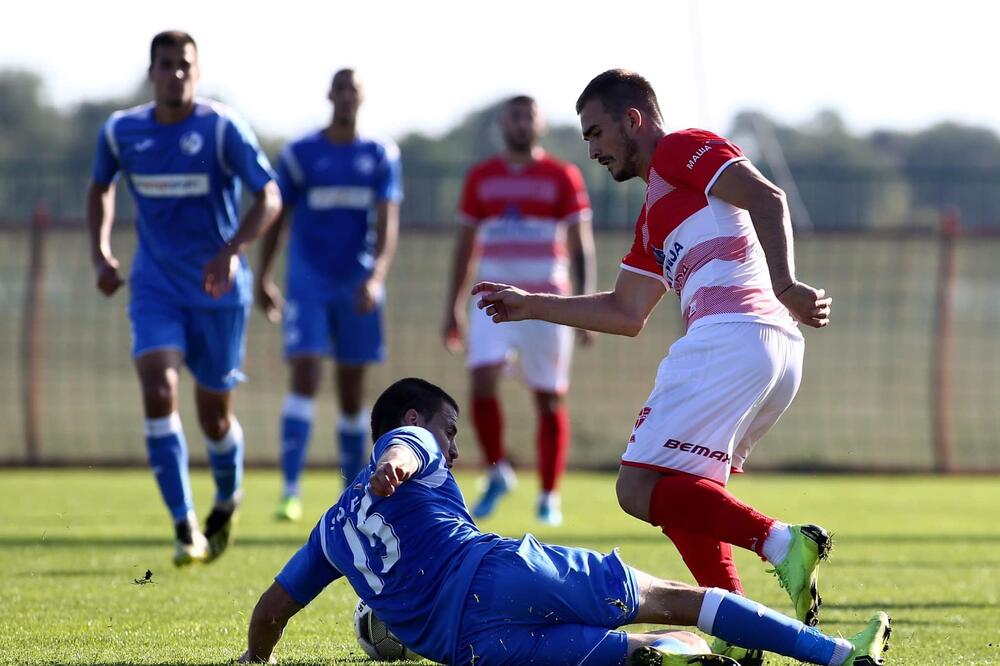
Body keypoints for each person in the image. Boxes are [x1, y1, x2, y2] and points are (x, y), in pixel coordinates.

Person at [473, 69, 836, 663]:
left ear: (632, 119)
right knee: (682, 495)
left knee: (637, 486)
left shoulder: (680, 148)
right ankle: (735, 629)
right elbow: (624, 311)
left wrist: (786, 283)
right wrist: (531, 304)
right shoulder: (651, 216)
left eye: (596, 133)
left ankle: (780, 542)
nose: (591, 150)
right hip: (767, 352)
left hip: (733, 336)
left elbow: (767, 196)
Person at [239, 378, 890, 666]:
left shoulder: (329, 529)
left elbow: (271, 610)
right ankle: (838, 656)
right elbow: (406, 449)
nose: (455, 448)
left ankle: (679, 659)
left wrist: (253, 659)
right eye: (449, 431)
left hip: (471, 651)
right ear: (417, 422)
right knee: (677, 601)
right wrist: (400, 463)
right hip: (502, 575)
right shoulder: (412, 446)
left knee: (632, 654)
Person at [86, 31, 281, 566]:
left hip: (218, 290)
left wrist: (232, 250)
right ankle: (183, 525)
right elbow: (101, 186)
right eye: (166, 64)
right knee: (158, 386)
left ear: (198, 71)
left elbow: (269, 194)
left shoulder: (221, 128)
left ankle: (228, 494)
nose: (175, 73)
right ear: (151, 72)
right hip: (155, 286)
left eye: (184, 65)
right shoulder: (122, 130)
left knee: (214, 415)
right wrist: (101, 253)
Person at [442, 95, 597, 526]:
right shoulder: (481, 178)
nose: (521, 122)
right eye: (514, 115)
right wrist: (453, 305)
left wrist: (583, 305)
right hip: (491, 297)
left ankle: (549, 495)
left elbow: (580, 243)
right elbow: (464, 245)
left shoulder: (561, 175)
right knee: (481, 380)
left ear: (540, 123)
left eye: (529, 114)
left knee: (549, 399)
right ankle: (498, 472)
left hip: (547, 302)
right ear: (502, 123)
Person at [256, 69, 402, 521]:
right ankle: (290, 489)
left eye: (352, 90)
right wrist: (263, 276)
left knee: (353, 391)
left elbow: (387, 222)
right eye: (338, 89)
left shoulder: (380, 154)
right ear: (329, 96)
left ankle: (351, 491)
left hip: (356, 284)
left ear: (362, 97)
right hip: (308, 284)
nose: (345, 97)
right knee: (304, 375)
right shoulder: (301, 154)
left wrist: (376, 276)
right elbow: (277, 216)